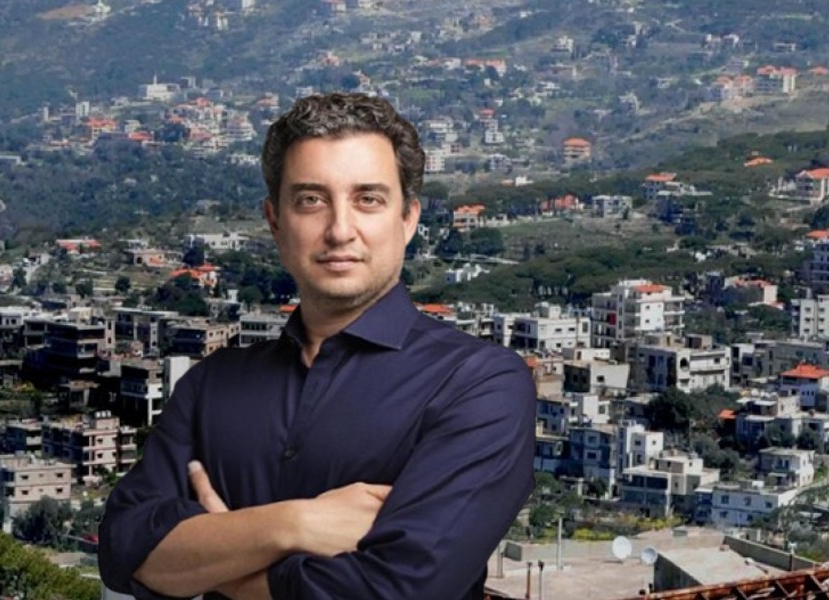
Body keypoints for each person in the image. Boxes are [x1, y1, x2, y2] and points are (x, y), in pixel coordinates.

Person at [99, 92, 535, 600]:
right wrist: (293, 524)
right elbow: (123, 549)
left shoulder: (480, 384)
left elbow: (402, 589)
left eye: (368, 199)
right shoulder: (212, 385)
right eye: (311, 200)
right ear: (275, 221)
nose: (339, 230)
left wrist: (223, 564)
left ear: (408, 219)